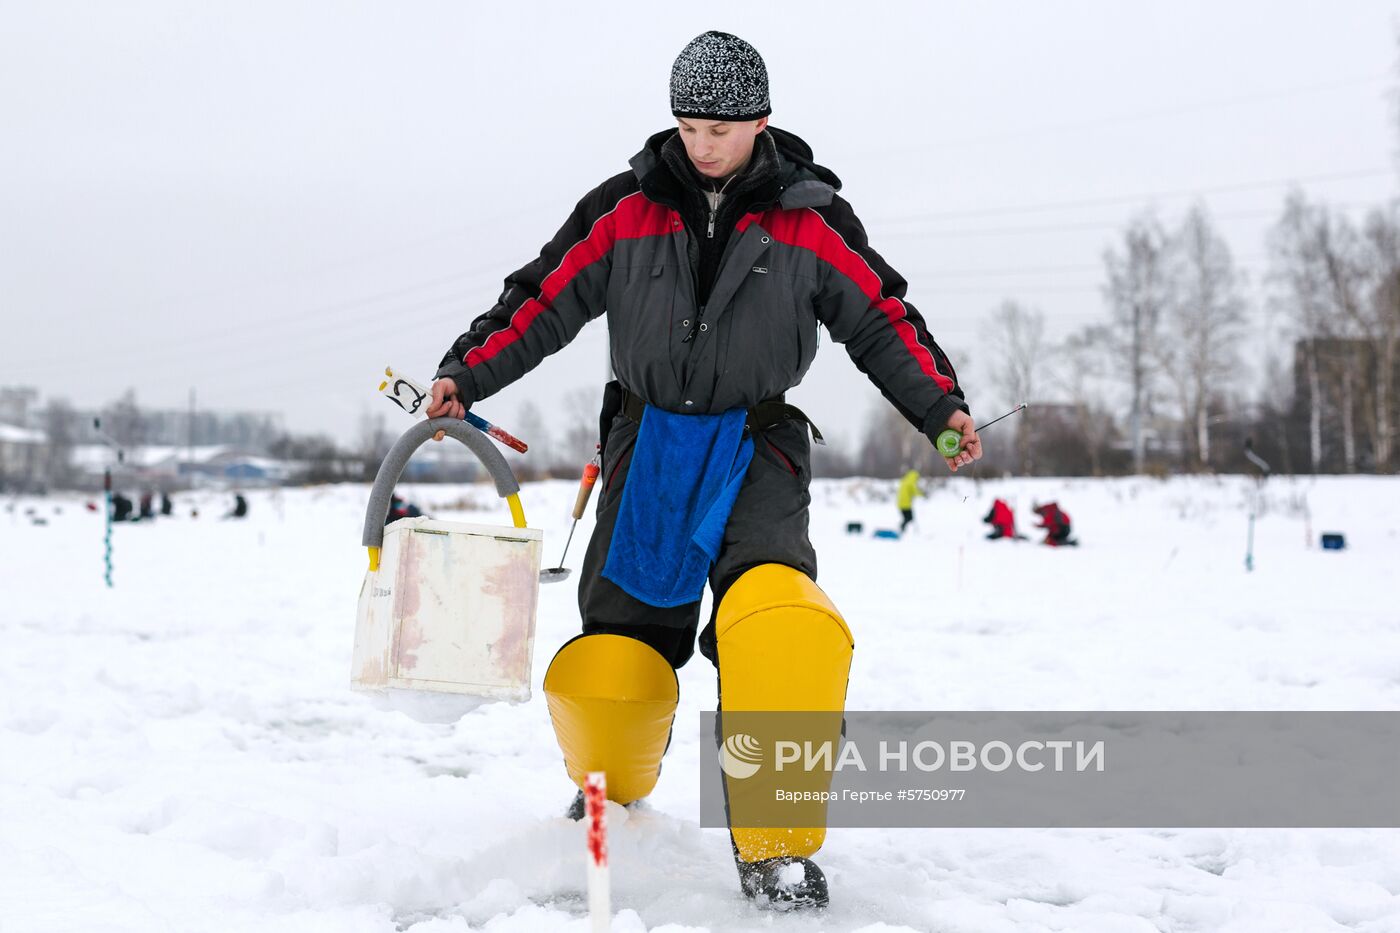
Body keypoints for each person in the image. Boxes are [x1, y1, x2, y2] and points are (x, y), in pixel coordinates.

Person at [425, 31, 980, 910]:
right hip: (648, 446)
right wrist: (465, 371)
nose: (703, 143)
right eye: (688, 126)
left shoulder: (812, 216)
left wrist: (940, 407)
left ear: (761, 120)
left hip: (757, 447)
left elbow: (880, 316)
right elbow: (543, 298)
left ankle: (777, 842)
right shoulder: (625, 207)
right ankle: (609, 780)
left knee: (777, 622)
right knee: (619, 646)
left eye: (720, 127)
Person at [896, 468, 924, 535]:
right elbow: (915, 492)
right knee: (910, 518)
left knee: (906, 518)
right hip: (906, 504)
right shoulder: (911, 483)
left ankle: (902, 529)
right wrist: (923, 494)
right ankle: (902, 527)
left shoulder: (904, 481)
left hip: (900, 504)